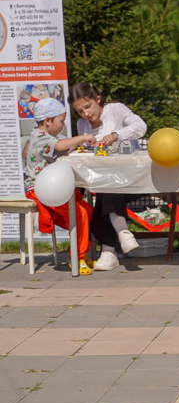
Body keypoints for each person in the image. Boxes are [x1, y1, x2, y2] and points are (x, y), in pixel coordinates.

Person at [68, 83, 145, 271]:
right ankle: (116, 243)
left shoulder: (115, 110)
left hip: (132, 175)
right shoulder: (82, 125)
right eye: (79, 111)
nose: (86, 114)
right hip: (104, 180)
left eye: (88, 107)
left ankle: (112, 247)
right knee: (105, 193)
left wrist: (117, 135)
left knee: (108, 189)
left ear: (97, 99)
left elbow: (140, 126)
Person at [25, 99, 98, 275]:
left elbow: (61, 149)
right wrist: (83, 137)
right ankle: (77, 257)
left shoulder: (47, 137)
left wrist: (76, 145)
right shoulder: (40, 137)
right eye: (61, 121)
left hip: (51, 188)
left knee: (86, 209)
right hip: (40, 190)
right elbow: (59, 147)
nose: (63, 125)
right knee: (79, 213)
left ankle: (80, 251)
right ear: (48, 120)